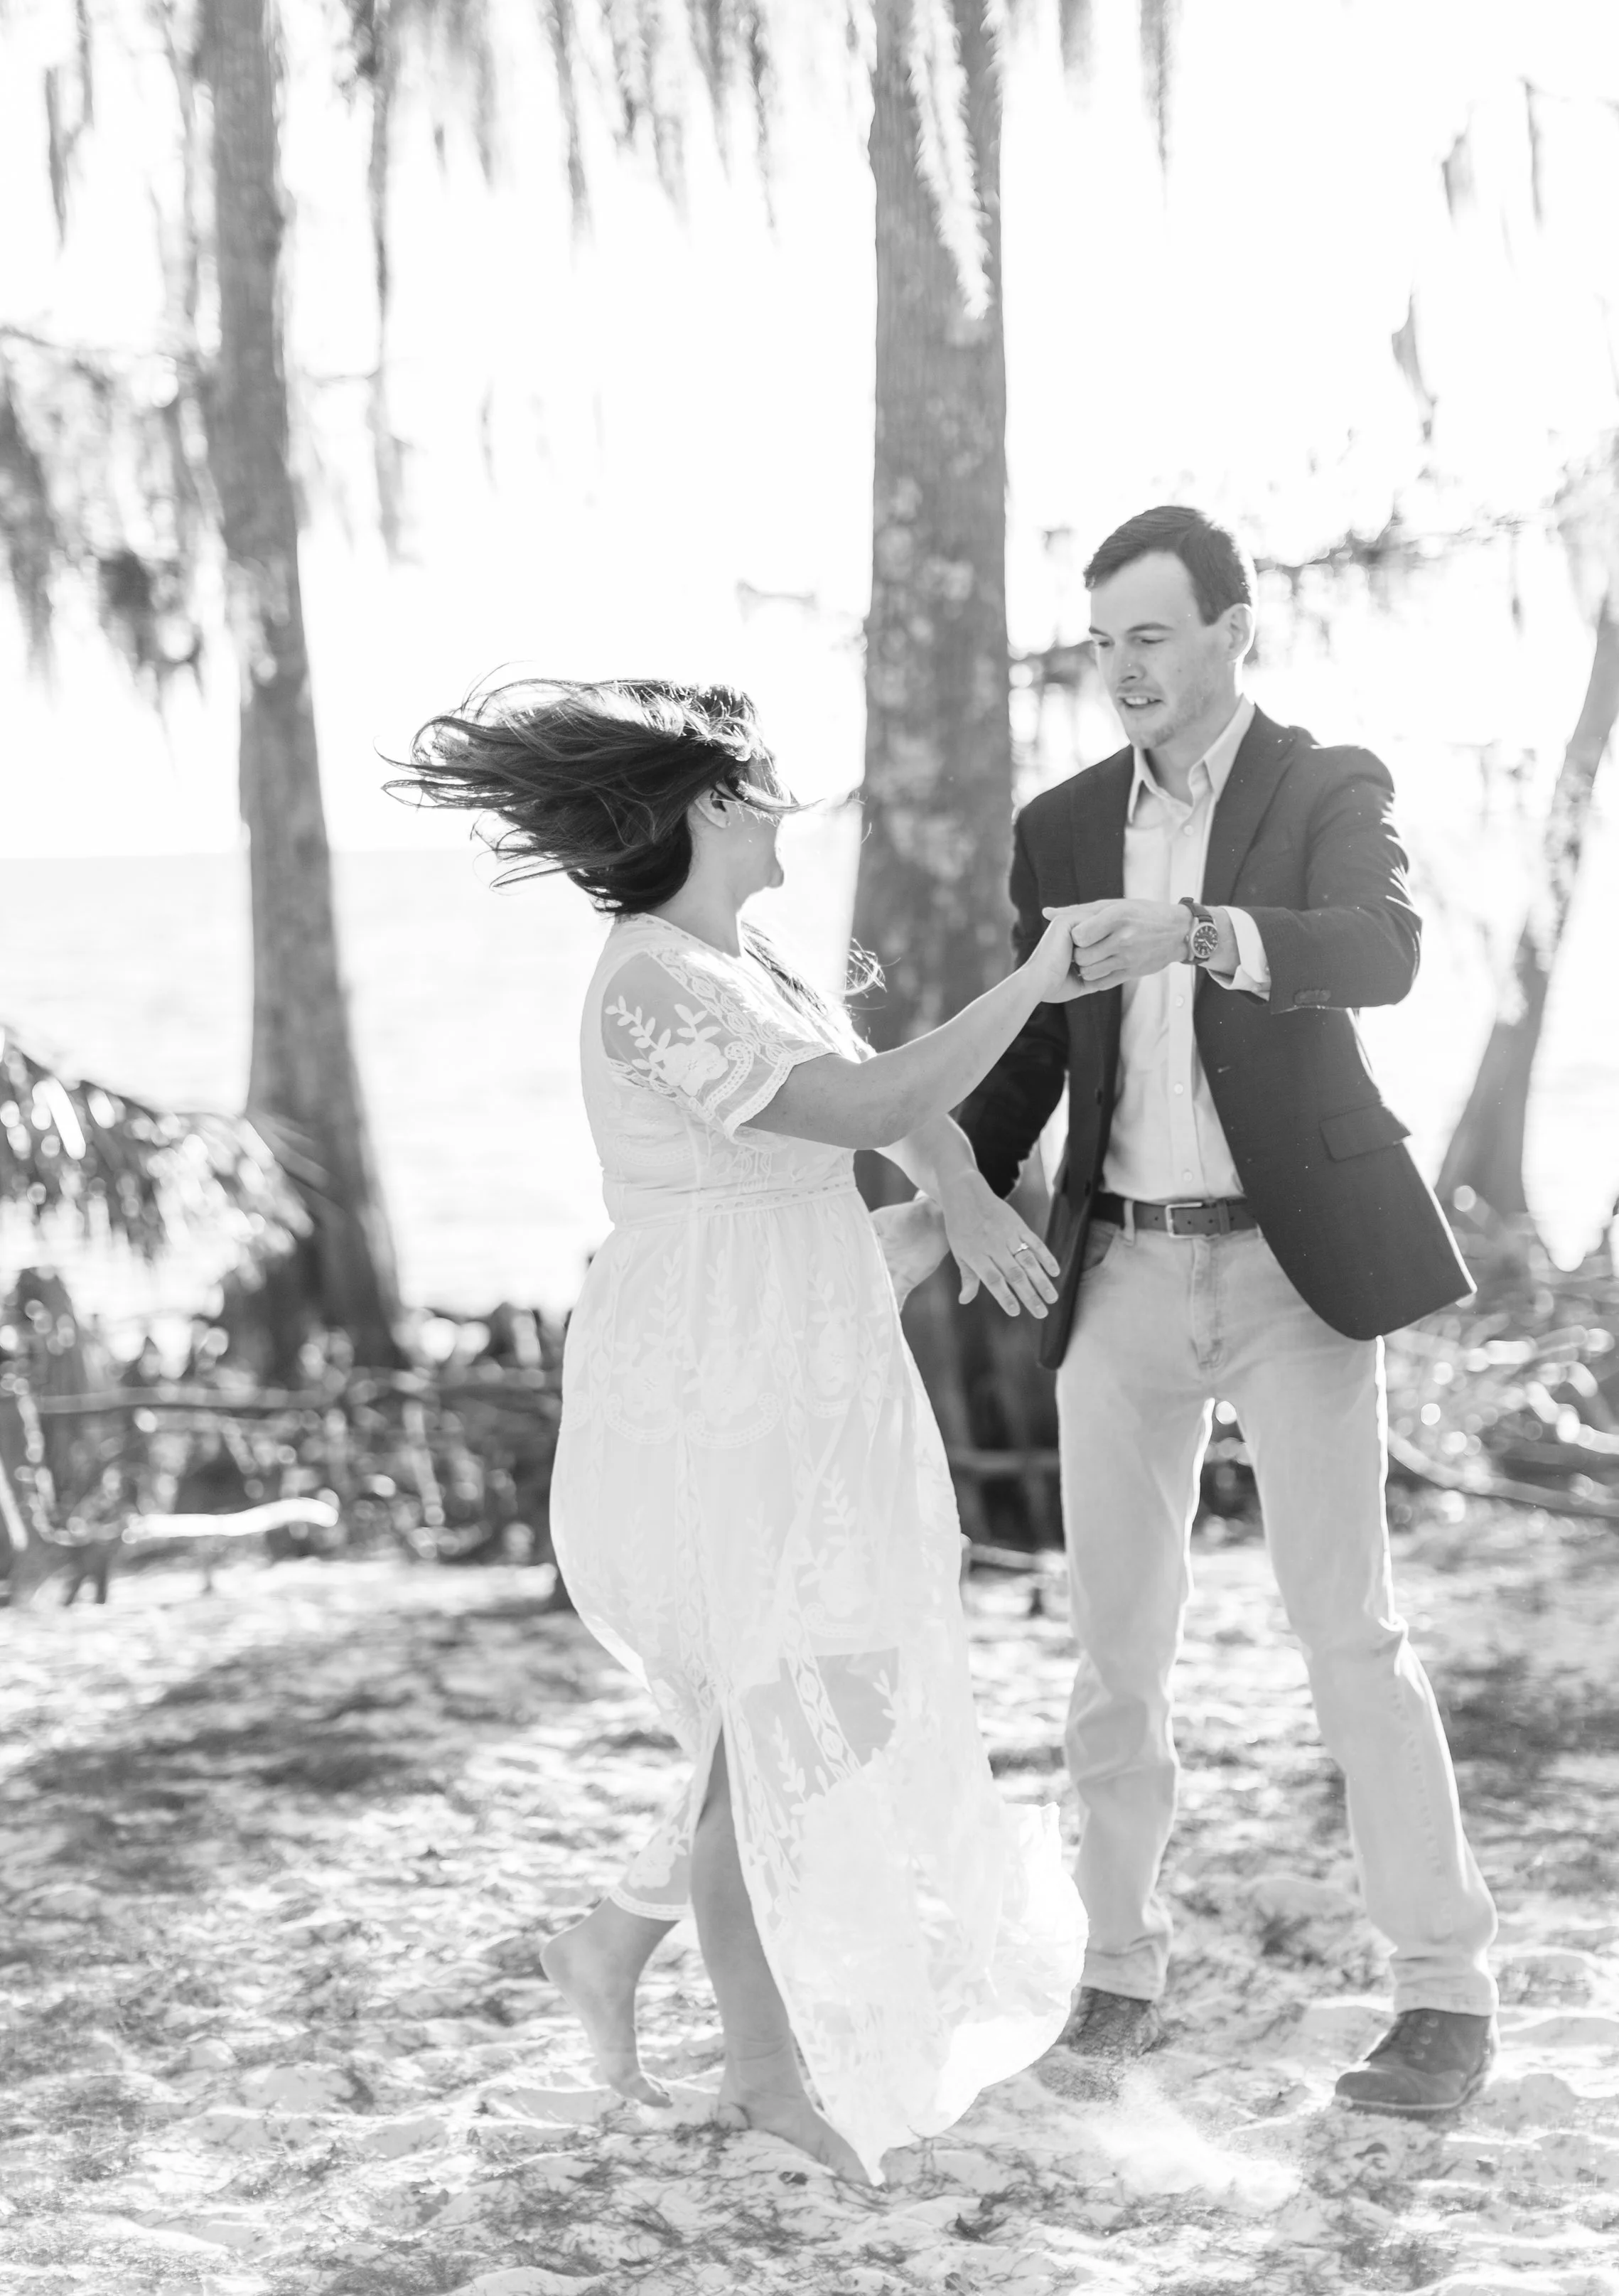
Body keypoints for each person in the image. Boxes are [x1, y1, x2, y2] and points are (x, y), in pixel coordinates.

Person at [391, 679, 1087, 2185]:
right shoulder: (648, 982)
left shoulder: (742, 957)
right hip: (706, 1378)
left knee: (830, 1695)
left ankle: (612, 1944)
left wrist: (965, 1199)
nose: (789, 810)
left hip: (803, 1355)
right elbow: (860, 1103)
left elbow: (889, 1105)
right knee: (776, 1711)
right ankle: (763, 2077)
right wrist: (1036, 981)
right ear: (712, 804)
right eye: (767, 785)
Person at [940, 505, 1500, 2118]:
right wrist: (952, 1192)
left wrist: (1193, 935)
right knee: (1114, 1655)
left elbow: (1381, 952)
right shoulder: (1058, 828)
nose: (1121, 668)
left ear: (1231, 632)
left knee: (1350, 1637)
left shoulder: (1326, 786)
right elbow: (1038, 1049)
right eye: (1101, 641)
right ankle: (1114, 1972)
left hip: (1291, 1272)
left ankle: (1441, 1992)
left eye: (1151, 636)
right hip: (1116, 1274)